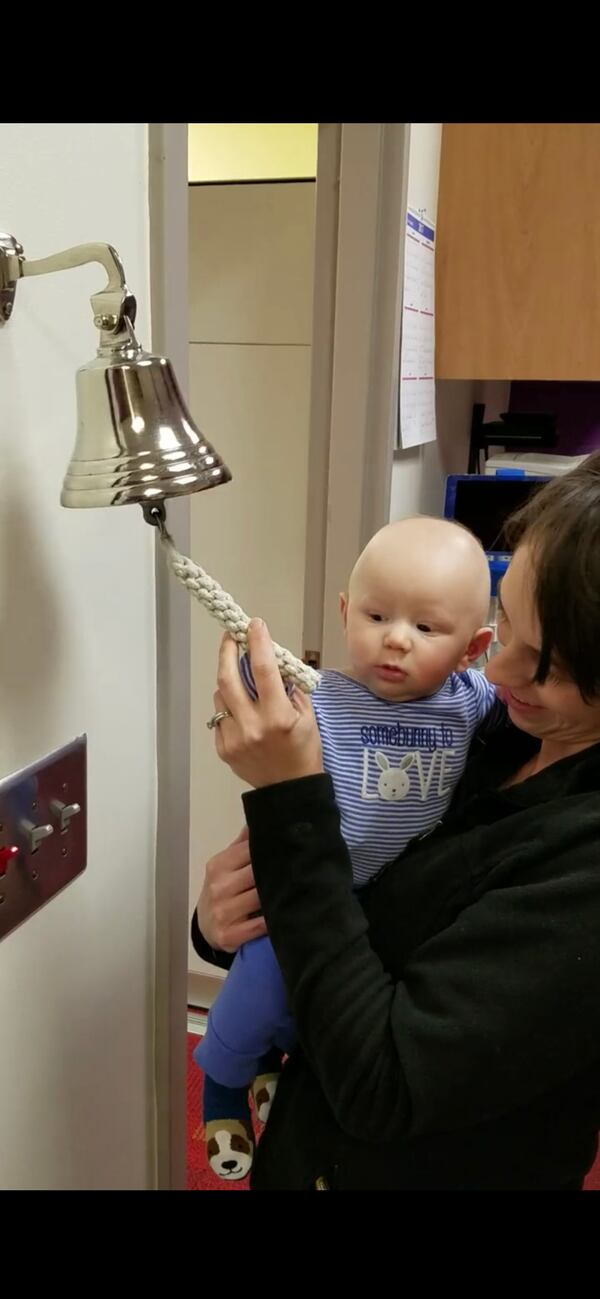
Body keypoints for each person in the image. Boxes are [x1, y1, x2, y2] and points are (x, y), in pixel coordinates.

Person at [194, 456, 600, 1190]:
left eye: (549, 665)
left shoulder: (580, 865)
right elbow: (358, 911)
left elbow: (382, 1082)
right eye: (505, 620)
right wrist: (223, 915)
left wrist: (291, 801)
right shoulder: (493, 728)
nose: (498, 671)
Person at [194, 517, 498, 1180]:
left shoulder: (472, 704)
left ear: (474, 647)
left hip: (391, 904)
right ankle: (220, 1079)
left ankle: (276, 1066)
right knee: (260, 990)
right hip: (315, 888)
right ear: (343, 611)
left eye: (426, 628)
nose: (394, 638)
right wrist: (247, 664)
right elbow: (258, 706)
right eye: (376, 614)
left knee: (325, 1016)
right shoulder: (323, 696)